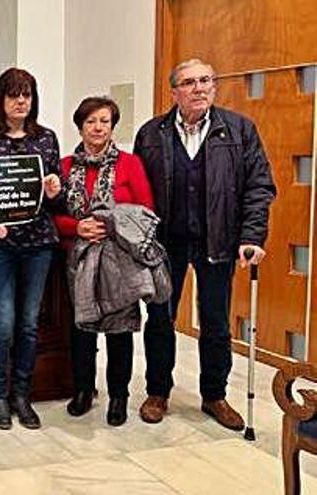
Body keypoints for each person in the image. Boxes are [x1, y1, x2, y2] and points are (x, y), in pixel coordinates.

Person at [134, 58, 276, 430]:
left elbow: (259, 186)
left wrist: (252, 236)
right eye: (190, 82)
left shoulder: (240, 130)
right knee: (160, 319)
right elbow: (138, 191)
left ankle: (214, 395)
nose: (199, 88)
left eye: (206, 81)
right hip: (166, 244)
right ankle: (158, 391)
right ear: (174, 91)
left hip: (219, 240)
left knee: (215, 321)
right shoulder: (152, 133)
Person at [0, 68, 62, 430]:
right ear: (0, 100)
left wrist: (56, 189)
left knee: (29, 324)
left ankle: (23, 394)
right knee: (3, 323)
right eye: (14, 95)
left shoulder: (47, 139)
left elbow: (57, 197)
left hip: (38, 244)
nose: (21, 101)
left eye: (27, 95)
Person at [55, 96, 155, 426]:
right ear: (80, 126)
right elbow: (52, 217)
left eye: (105, 121)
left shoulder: (130, 164)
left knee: (119, 330)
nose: (98, 128)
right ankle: (84, 390)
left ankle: (119, 396)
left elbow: (146, 213)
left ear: (113, 126)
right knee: (82, 328)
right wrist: (77, 226)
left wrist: (112, 227)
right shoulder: (66, 166)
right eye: (91, 122)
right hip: (79, 258)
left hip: (119, 260)